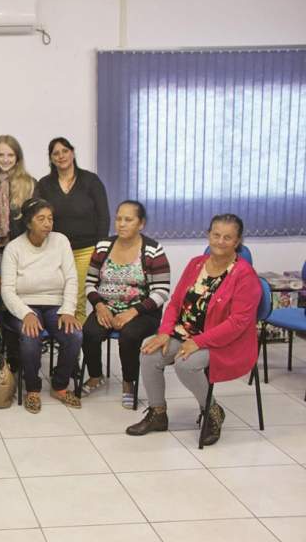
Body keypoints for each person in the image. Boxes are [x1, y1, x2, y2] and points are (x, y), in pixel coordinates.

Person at [126, 214, 261, 446]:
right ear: (208, 234)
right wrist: (164, 332)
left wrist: (200, 342)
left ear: (237, 241)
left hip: (225, 341)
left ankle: (212, 411)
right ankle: (158, 413)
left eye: (227, 237)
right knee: (149, 352)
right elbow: (176, 302)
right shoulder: (196, 263)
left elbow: (238, 323)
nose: (220, 241)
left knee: (185, 363)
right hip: (185, 332)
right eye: (216, 235)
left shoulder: (245, 275)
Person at [81, 201, 170, 408]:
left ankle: (129, 382)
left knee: (129, 335)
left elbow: (162, 292)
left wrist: (133, 311)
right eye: (119, 218)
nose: (121, 224)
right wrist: (99, 306)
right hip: (107, 307)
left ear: (141, 224)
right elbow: (90, 283)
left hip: (143, 311)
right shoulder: (103, 246)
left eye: (128, 220)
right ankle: (96, 376)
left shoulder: (153, 250)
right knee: (89, 332)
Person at [1, 198, 82, 413]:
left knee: (75, 335)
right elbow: (7, 290)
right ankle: (33, 389)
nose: (47, 223)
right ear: (28, 222)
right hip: (23, 305)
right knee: (30, 336)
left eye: (50, 219)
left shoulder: (61, 241)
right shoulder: (13, 248)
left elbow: (72, 279)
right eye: (41, 219)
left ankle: (60, 385)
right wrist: (26, 314)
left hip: (55, 304)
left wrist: (67, 310)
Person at [37, 137, 110, 323]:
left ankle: (75, 347)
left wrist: (100, 251)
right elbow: (37, 217)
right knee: (57, 298)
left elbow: (104, 217)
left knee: (76, 299)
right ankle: (66, 341)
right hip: (54, 251)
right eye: (56, 153)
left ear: (72, 152)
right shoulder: (44, 184)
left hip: (86, 251)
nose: (61, 156)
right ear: (51, 158)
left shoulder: (91, 181)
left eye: (65, 151)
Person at [0, 135, 39, 254]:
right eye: (1, 155)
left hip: (23, 251)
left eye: (10, 155)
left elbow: (36, 221)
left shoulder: (30, 184)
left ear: (18, 157)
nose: (5, 159)